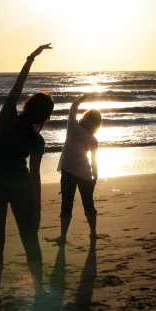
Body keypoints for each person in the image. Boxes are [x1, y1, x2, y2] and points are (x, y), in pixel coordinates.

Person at [0, 44, 54, 303]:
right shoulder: (37, 140)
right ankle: (39, 290)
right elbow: (34, 175)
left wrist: (30, 59)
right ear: (45, 116)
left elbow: (17, 87)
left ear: (27, 104)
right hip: (21, 188)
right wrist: (38, 207)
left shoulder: (6, 118)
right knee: (29, 239)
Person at [49, 94, 101, 244]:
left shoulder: (72, 126)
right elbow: (94, 160)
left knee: (66, 203)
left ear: (85, 117)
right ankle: (93, 233)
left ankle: (63, 236)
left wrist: (82, 98)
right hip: (85, 173)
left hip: (68, 170)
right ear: (97, 124)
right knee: (88, 203)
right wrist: (95, 175)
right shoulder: (93, 139)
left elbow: (73, 107)